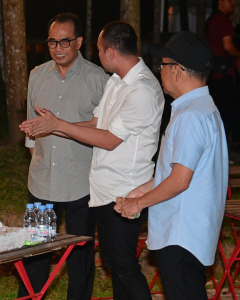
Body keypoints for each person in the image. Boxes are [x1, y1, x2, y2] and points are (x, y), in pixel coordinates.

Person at [20, 21, 164, 299]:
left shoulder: (138, 88)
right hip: (98, 189)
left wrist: (57, 125)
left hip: (123, 190)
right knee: (114, 264)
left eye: (98, 49)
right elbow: (97, 124)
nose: (58, 48)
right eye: (52, 41)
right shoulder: (115, 82)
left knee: (121, 266)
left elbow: (109, 138)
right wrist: (50, 127)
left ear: (109, 52)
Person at [114, 31, 229, 300]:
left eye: (162, 65)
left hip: (181, 234)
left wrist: (138, 205)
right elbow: (177, 171)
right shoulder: (203, 109)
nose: (160, 71)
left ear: (178, 70)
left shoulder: (190, 116)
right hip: (189, 232)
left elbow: (179, 180)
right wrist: (141, 191)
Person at [18, 13, 108, 300]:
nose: (58, 47)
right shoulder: (37, 75)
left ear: (79, 42)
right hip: (42, 181)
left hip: (81, 182)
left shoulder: (97, 78)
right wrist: (36, 153)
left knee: (80, 258)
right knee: (35, 252)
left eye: (65, 41)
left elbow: (105, 128)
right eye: (52, 41)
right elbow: (31, 128)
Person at [204, 0, 240, 151]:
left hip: (212, 76)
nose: (232, 4)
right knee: (227, 114)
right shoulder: (223, 21)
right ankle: (224, 150)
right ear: (221, 2)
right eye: (230, 0)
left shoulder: (211, 20)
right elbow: (227, 46)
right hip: (224, 76)